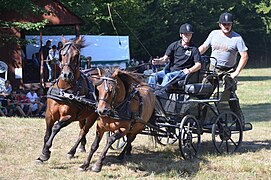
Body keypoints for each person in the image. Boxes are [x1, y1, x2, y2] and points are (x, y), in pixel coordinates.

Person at [198, 12, 249, 125]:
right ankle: (200, 120)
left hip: (229, 70)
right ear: (220, 24)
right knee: (204, 93)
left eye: (229, 24)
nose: (226, 26)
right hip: (213, 68)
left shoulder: (237, 38)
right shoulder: (213, 34)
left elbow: (244, 56)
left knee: (229, 95)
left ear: (232, 25)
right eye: (224, 24)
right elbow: (204, 47)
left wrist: (236, 73)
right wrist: (194, 56)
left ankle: (238, 120)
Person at [148, 23, 201, 89]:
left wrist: (189, 70)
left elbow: (198, 65)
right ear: (181, 35)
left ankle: (161, 93)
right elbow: (164, 59)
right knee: (153, 76)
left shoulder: (194, 49)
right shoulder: (174, 45)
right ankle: (150, 94)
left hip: (182, 73)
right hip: (170, 71)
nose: (188, 37)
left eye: (190, 35)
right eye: (186, 34)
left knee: (168, 76)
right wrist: (158, 61)